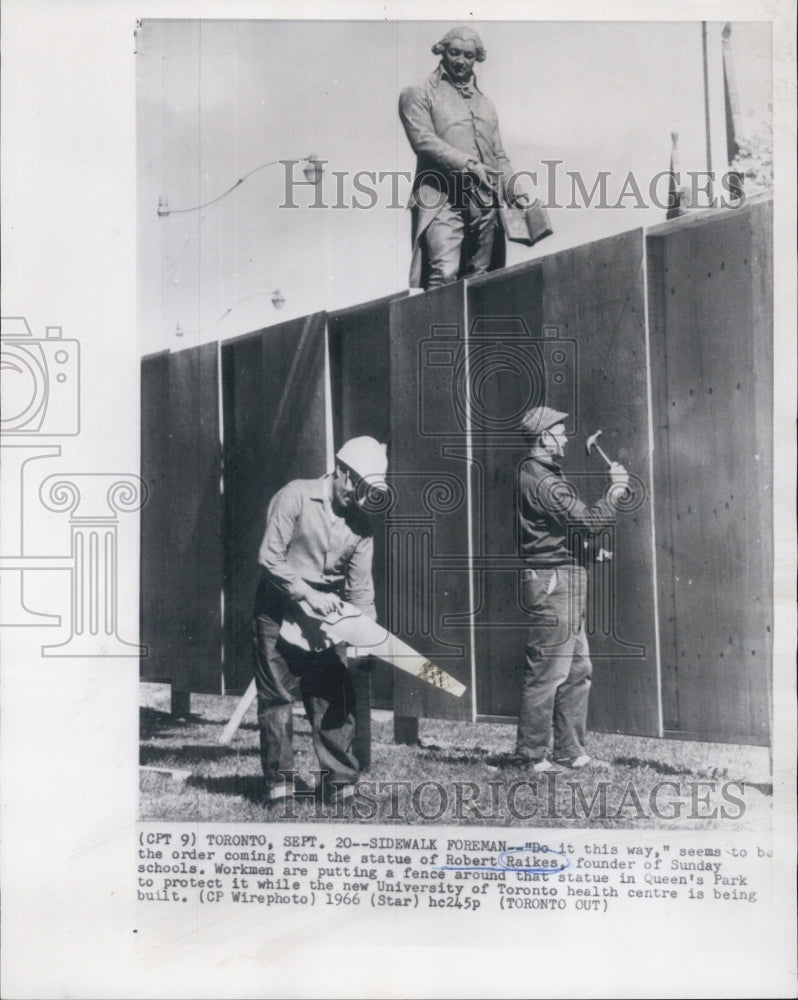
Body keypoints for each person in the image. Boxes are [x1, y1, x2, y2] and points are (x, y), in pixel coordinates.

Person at [252, 436, 388, 806]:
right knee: (278, 697)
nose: (359, 500)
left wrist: (367, 639)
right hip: (279, 604)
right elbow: (269, 558)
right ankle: (280, 785)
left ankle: (339, 782)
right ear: (341, 471)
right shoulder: (295, 495)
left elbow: (360, 591)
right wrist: (308, 594)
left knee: (333, 695)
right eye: (356, 489)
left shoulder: (362, 526)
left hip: (328, 614)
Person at [515, 406, 630, 772]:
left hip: (565, 577)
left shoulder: (544, 475)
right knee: (549, 671)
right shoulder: (543, 481)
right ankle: (531, 756)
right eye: (560, 432)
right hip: (555, 583)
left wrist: (590, 552)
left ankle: (569, 751)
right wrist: (615, 490)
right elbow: (588, 521)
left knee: (578, 668)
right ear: (544, 436)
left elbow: (557, 532)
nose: (565, 438)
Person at [398, 25, 529, 290]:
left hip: (484, 200)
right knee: (443, 274)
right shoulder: (419, 93)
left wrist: (514, 187)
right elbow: (423, 141)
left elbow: (499, 154)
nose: (461, 61)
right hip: (441, 196)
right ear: (442, 52)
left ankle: (474, 332)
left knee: (482, 278)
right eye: (455, 53)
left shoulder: (486, 104)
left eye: (468, 55)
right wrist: (468, 164)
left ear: (476, 58)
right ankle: (435, 330)